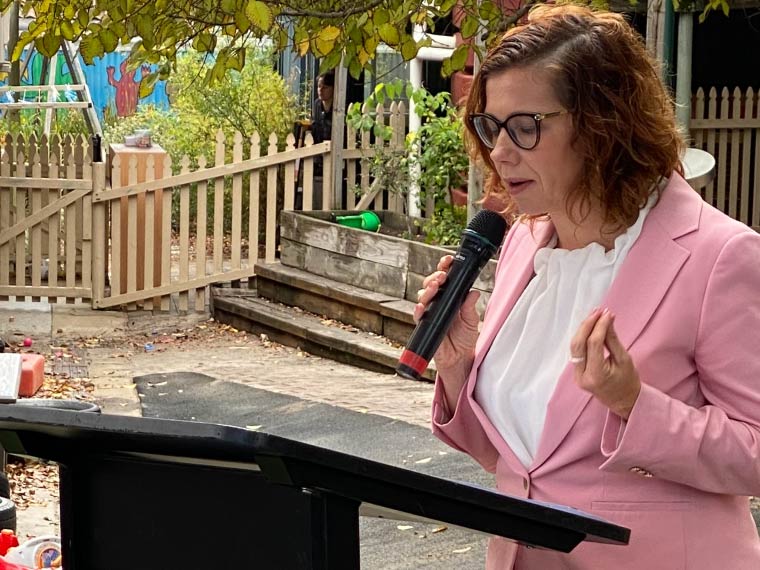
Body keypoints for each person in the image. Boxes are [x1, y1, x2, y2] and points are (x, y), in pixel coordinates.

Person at [416, 5, 760, 569]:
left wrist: (635, 405)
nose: (499, 152)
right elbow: (518, 462)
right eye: (489, 126)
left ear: (603, 124)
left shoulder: (718, 256)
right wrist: (457, 364)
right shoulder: (523, 245)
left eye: (525, 127)